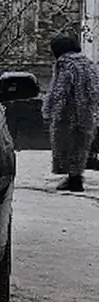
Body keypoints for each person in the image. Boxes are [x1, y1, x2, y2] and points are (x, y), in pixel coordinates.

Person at [43, 33, 99, 192]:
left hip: (68, 114)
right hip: (88, 113)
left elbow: (60, 90)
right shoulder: (88, 63)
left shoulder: (66, 65)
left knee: (66, 146)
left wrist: (50, 111)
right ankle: (75, 177)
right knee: (81, 146)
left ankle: (74, 180)